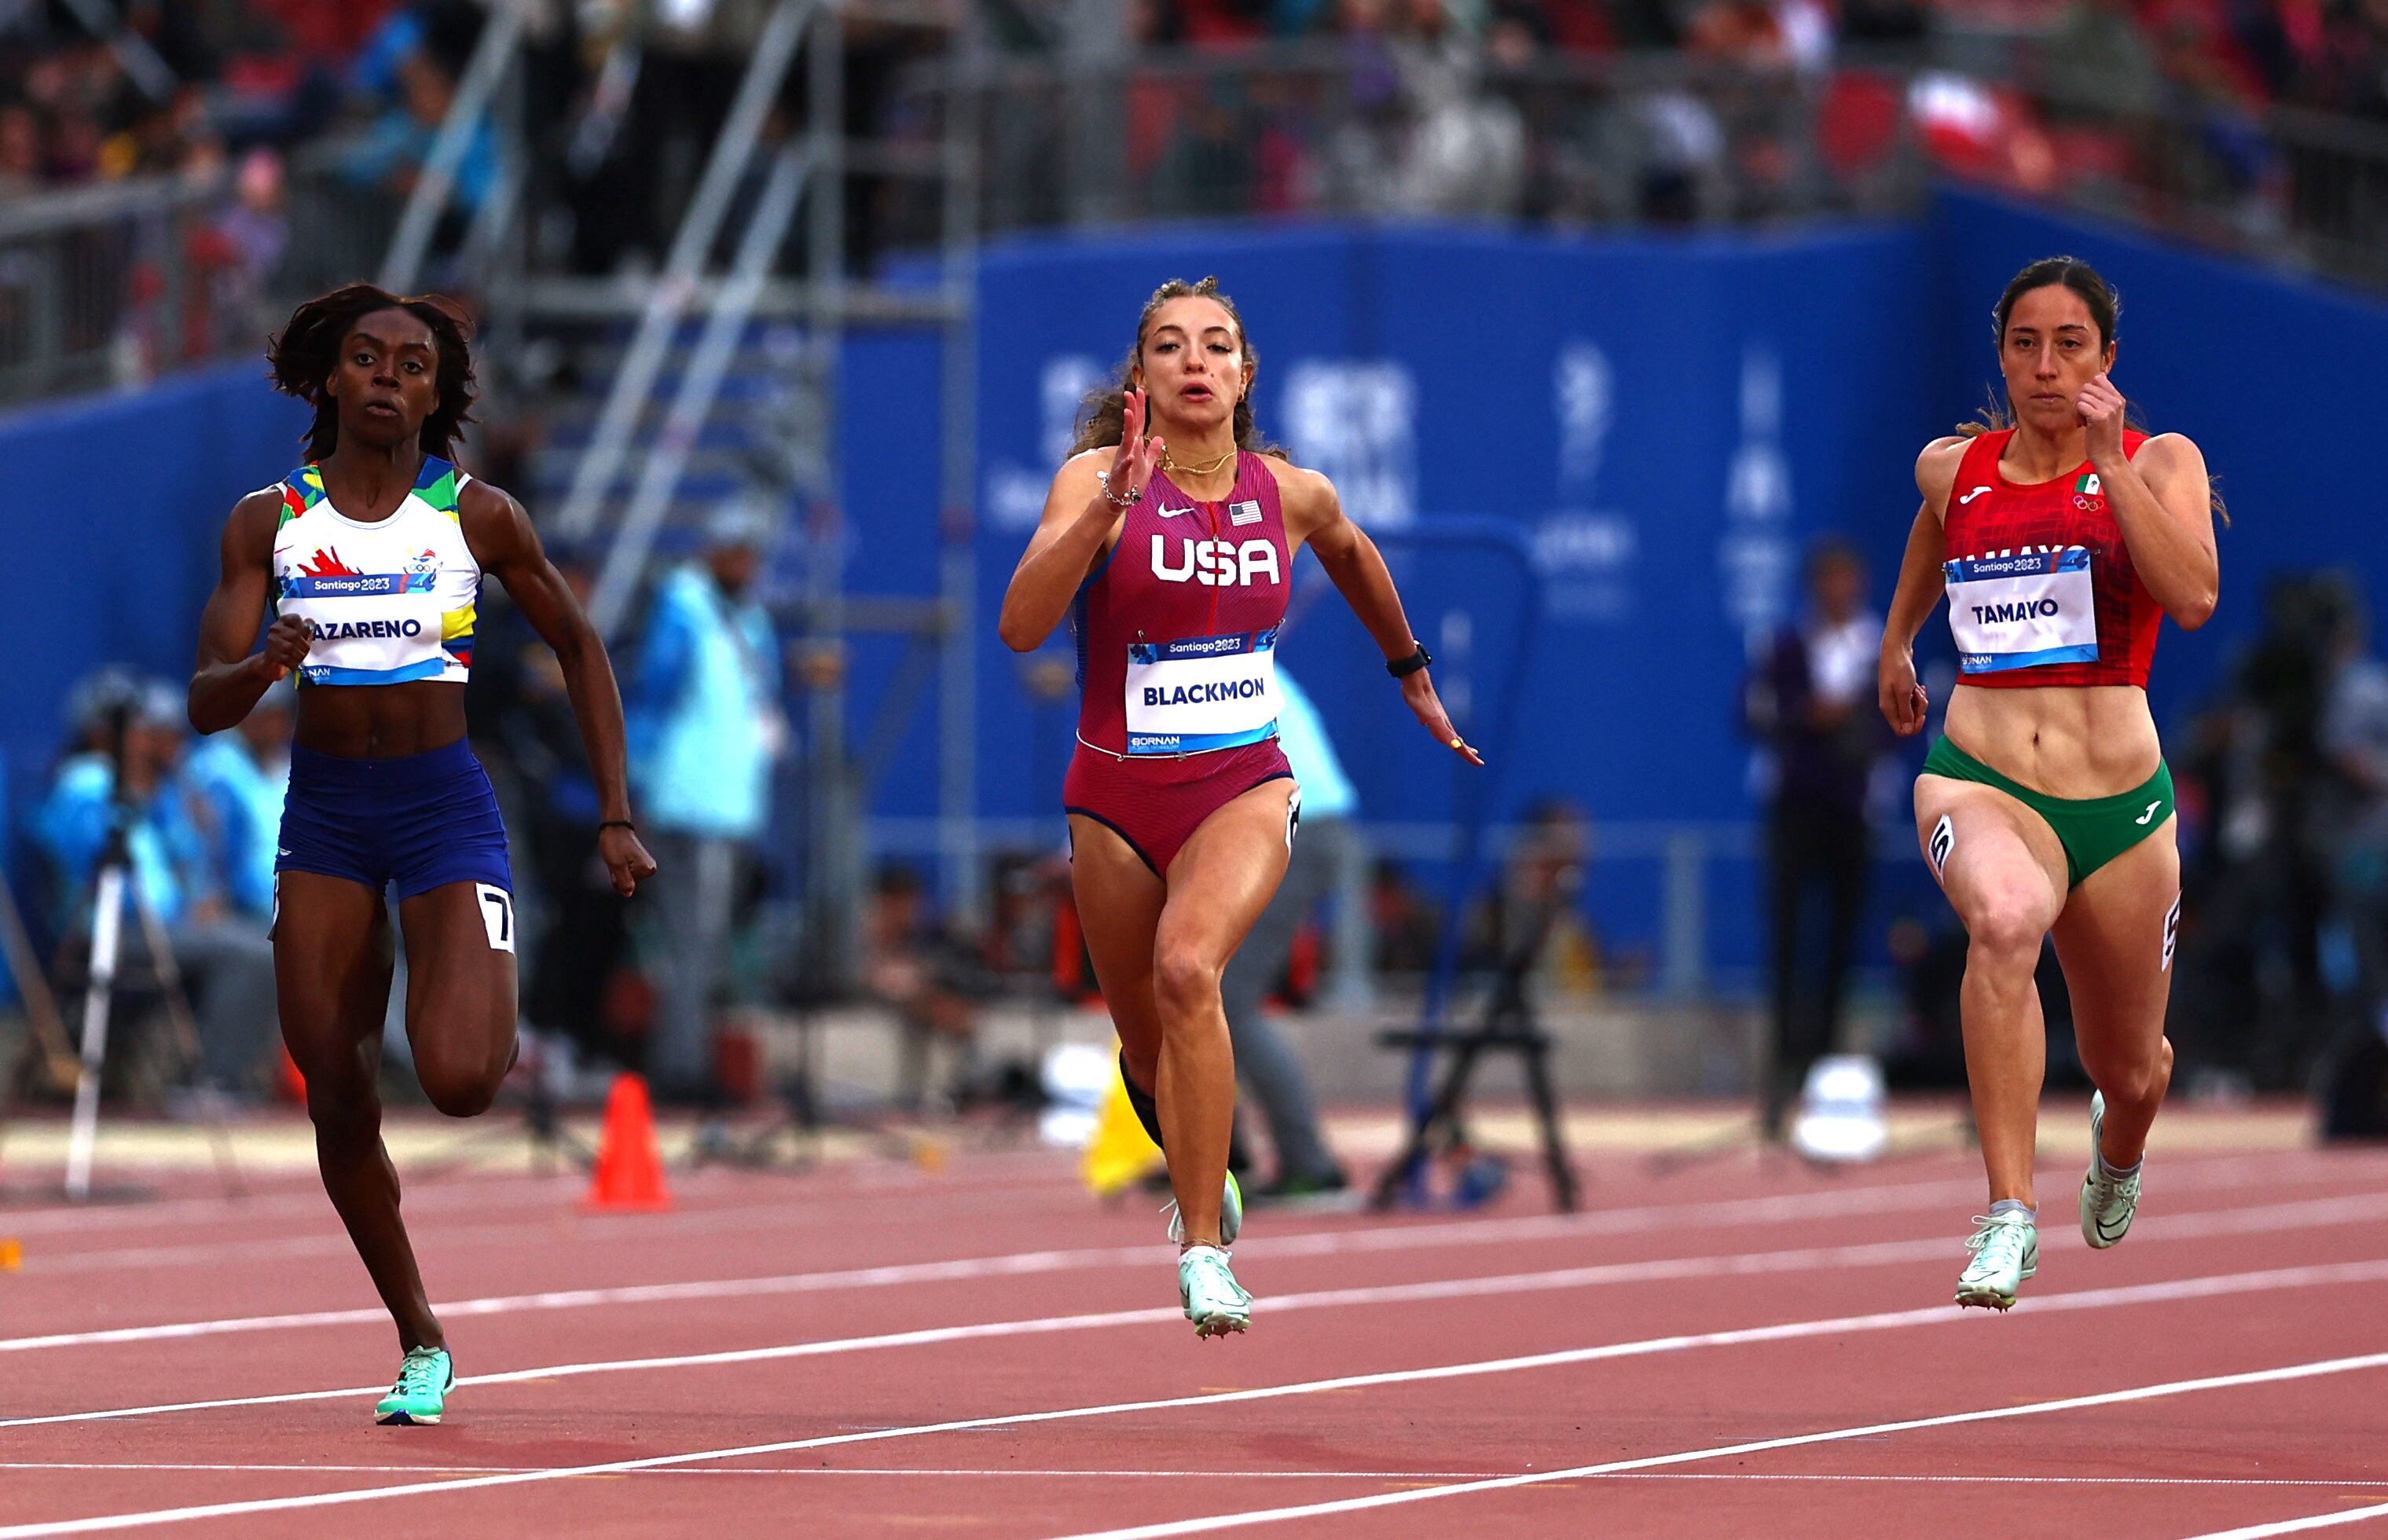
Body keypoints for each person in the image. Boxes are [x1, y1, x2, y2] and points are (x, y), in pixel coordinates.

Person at [187, 283, 655, 1424]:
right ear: (330, 378)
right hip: (329, 816)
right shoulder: (269, 519)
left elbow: (579, 649)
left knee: (454, 1083)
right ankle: (419, 1336)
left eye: (411, 364)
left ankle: (462, 979)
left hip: (443, 806)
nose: (388, 377)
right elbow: (203, 700)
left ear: (437, 393)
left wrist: (613, 813)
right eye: (365, 358)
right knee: (336, 1094)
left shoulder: (477, 516)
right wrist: (262, 669)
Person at [998, 276, 1476, 1336]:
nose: (1194, 362)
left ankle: (1203, 1248)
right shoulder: (1088, 480)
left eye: (1216, 345)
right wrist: (1111, 508)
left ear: (1244, 372)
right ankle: (1198, 1149)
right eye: (1169, 347)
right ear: (1141, 378)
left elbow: (1351, 550)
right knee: (1141, 1044)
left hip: (1241, 783)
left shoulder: (1287, 491)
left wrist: (1408, 667)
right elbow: (1021, 625)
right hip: (1113, 795)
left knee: (1188, 970)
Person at [1878, 255, 2219, 1310]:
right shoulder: (1953, 466)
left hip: (2118, 809)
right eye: (2023, 344)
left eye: (2068, 344)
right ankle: (2006, 1214)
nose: (2043, 365)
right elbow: (1931, 539)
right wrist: (1896, 643)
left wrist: (2110, 465)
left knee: (2126, 1067)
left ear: (2105, 358)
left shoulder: (2158, 461)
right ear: (2000, 356)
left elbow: (2193, 594)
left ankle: (2117, 1148)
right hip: (1978, 777)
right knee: (2003, 921)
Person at [35, 674, 278, 1109]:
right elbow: (105, 868)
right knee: (248, 954)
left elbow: (187, 864)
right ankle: (216, 1084)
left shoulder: (162, 791)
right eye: (150, 733)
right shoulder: (86, 784)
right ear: (110, 735)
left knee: (258, 939)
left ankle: (226, 1079)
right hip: (110, 929)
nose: (163, 743)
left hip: (166, 927)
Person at [627, 499, 786, 1105]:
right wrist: (636, 787)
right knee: (690, 943)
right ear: (713, 552)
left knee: (708, 945)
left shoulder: (749, 619)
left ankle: (689, 1058)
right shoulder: (684, 611)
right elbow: (651, 699)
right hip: (688, 799)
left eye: (751, 553)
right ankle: (681, 1070)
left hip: (730, 802)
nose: (744, 563)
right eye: (735, 552)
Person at [1744, 537, 1892, 1140]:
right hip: (1794, 806)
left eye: (1847, 579)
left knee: (1840, 940)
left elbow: (1899, 721)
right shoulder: (1785, 646)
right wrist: (1808, 715)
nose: (1839, 591)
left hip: (1852, 808)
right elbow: (1753, 713)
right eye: (1829, 580)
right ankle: (1783, 1065)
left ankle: (1827, 1066)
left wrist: (1855, 729)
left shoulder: (1879, 645)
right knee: (1786, 938)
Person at [1220, 668, 1355, 1203]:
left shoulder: (1209, 657)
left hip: (1291, 825)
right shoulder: (1217, 652)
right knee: (1194, 994)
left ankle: (1309, 1166)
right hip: (1280, 822)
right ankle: (1220, 1161)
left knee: (1225, 1001)